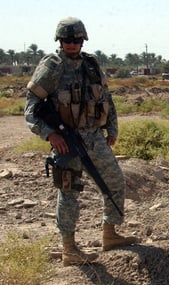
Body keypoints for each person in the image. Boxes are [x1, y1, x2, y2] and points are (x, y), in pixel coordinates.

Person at [25, 17, 137, 266]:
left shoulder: (91, 64)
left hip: (94, 138)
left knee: (115, 182)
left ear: (83, 40)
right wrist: (51, 135)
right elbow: (31, 108)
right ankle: (70, 250)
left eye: (76, 40)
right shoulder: (51, 66)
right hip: (66, 142)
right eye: (67, 40)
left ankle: (110, 234)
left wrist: (112, 128)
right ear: (60, 40)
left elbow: (106, 98)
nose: (72, 44)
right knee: (68, 192)